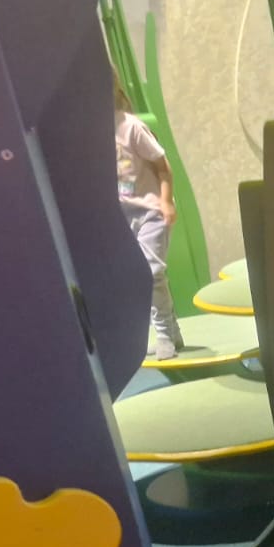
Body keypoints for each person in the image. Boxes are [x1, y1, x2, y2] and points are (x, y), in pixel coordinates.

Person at [114, 84, 183, 359]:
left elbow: (163, 167)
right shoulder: (90, 132)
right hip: (123, 215)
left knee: (151, 274)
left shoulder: (131, 127)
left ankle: (164, 334)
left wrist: (166, 201)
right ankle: (173, 332)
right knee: (144, 276)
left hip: (151, 212)